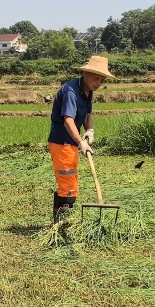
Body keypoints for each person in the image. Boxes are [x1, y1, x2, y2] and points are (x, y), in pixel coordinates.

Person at [48, 56, 115, 223]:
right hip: (61, 142)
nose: (98, 82)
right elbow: (68, 120)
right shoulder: (71, 91)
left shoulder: (88, 91)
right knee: (68, 183)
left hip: (70, 142)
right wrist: (81, 143)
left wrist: (90, 130)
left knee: (70, 180)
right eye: (96, 78)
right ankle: (63, 224)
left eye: (101, 79)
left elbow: (87, 115)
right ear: (85, 74)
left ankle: (60, 221)